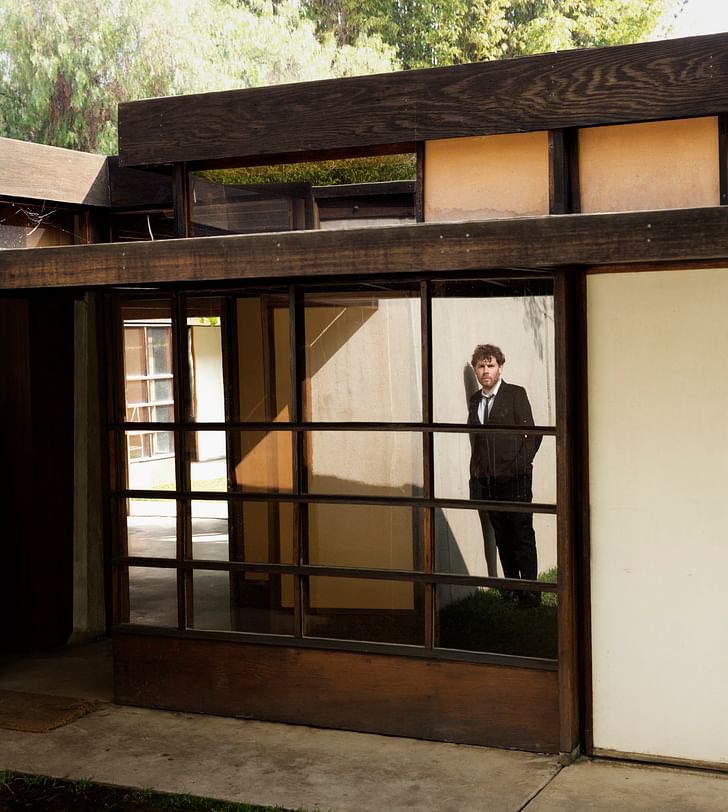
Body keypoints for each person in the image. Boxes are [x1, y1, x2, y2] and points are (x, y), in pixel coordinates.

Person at [468, 344, 541, 607]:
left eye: (490, 365)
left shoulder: (515, 394)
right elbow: (476, 443)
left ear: (500, 367)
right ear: (475, 369)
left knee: (521, 535)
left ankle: (531, 592)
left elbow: (533, 435)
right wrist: (476, 475)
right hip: (488, 481)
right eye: (481, 366)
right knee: (501, 536)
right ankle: (511, 588)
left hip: (516, 480)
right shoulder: (475, 400)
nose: (485, 370)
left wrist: (518, 468)